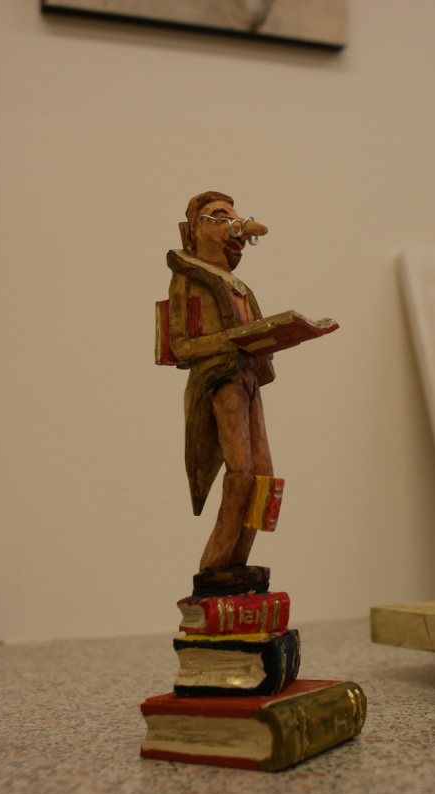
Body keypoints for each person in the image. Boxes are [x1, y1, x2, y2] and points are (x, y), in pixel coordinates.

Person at [168, 191, 275, 571]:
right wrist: (234, 341)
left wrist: (272, 341)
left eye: (235, 217)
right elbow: (181, 346)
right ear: (194, 230)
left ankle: (239, 562)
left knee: (264, 477)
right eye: (220, 216)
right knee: (241, 473)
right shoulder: (188, 281)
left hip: (248, 380)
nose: (234, 226)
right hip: (221, 382)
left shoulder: (241, 288)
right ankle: (214, 566)